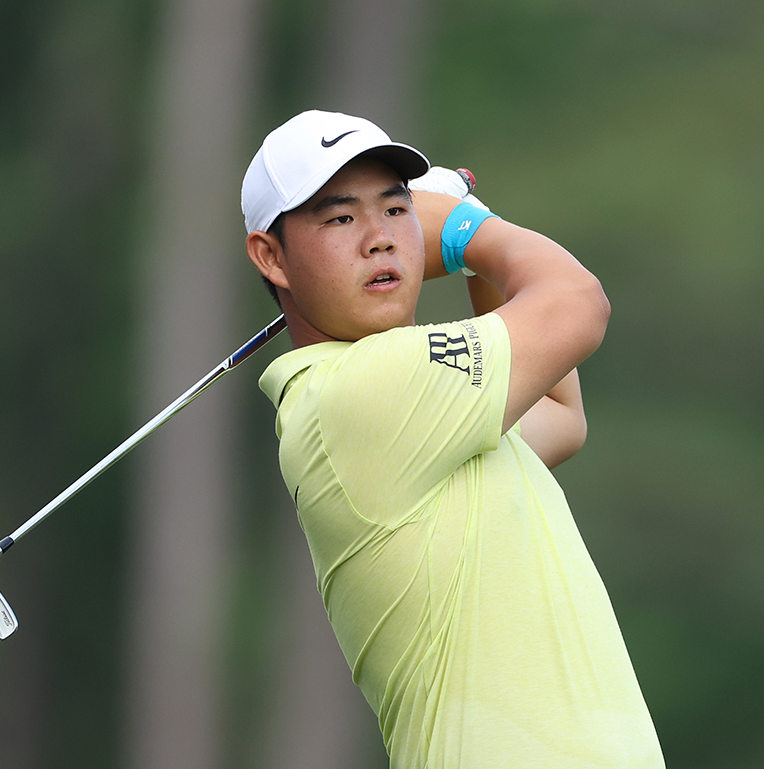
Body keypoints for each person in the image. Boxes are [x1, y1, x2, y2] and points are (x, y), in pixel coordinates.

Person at [241, 110, 664, 768]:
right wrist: (469, 230)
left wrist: (473, 245)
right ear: (272, 256)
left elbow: (559, 410)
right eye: (341, 218)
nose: (380, 239)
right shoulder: (359, 393)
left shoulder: (433, 413)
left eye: (395, 209)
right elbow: (578, 303)